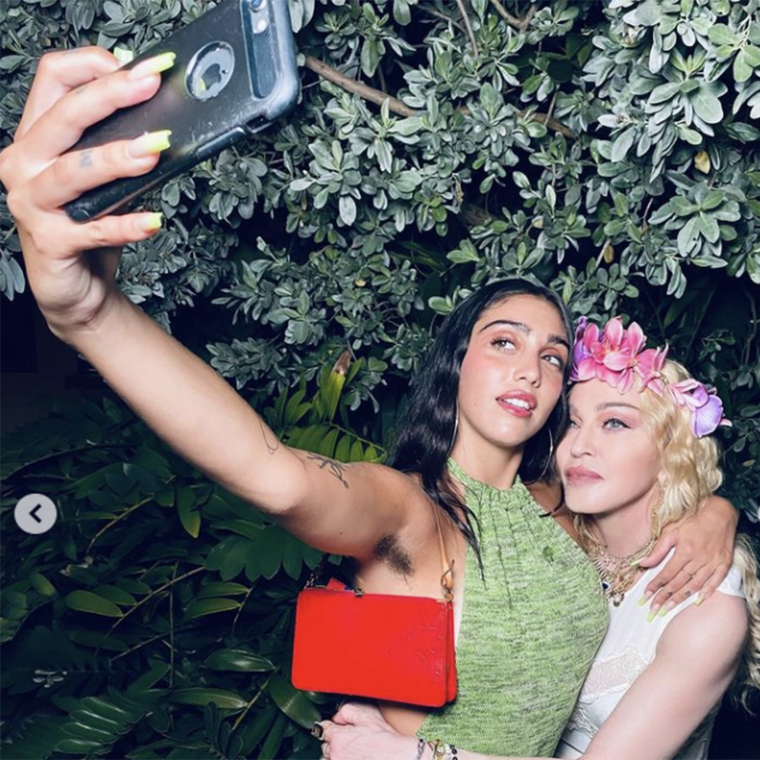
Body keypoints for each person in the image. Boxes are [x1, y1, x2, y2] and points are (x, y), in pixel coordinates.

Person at [0, 48, 740, 756]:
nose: (532, 370)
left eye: (552, 356)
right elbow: (278, 474)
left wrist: (719, 514)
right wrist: (90, 315)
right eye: (505, 342)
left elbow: (653, 516)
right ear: (457, 364)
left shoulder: (562, 509)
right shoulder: (409, 509)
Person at [318, 317, 760, 760]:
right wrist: (376, 709)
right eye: (572, 422)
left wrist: (409, 754)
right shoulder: (556, 535)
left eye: (615, 424)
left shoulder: (708, 612)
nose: (580, 446)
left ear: (673, 450)